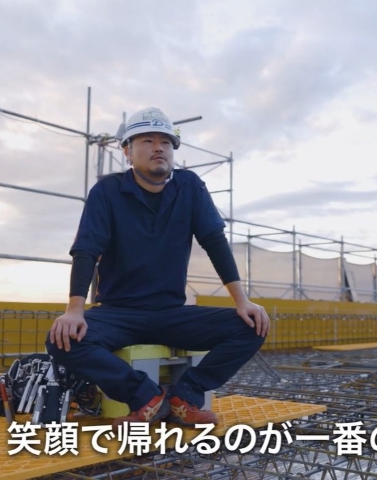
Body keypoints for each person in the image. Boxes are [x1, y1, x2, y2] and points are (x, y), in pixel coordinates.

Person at [46, 107, 269, 428]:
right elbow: (86, 249)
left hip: (171, 313)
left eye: (165, 142)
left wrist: (242, 301)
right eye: (147, 141)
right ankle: (145, 397)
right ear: (127, 151)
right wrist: (74, 310)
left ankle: (185, 397)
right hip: (118, 313)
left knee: (252, 325)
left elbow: (214, 241)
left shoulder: (190, 187)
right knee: (62, 339)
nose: (158, 148)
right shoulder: (108, 191)